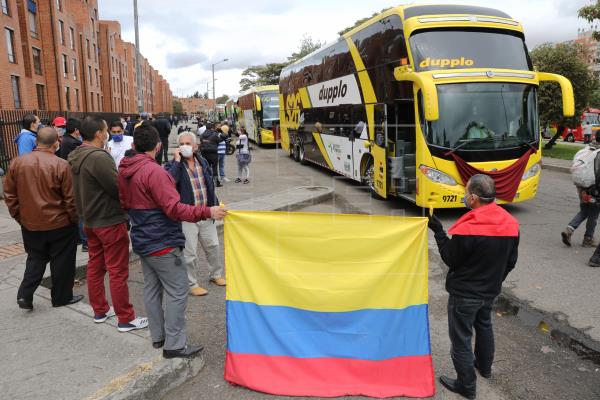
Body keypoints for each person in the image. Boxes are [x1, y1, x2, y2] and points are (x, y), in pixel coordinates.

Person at [118, 123, 227, 358]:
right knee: (178, 291)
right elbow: (174, 208)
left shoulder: (126, 168)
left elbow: (125, 203)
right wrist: (207, 212)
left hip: (142, 238)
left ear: (134, 145)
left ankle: (158, 337)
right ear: (158, 146)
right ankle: (175, 345)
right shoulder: (154, 172)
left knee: (152, 289)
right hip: (162, 241)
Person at [428, 174, 519, 400]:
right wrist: (495, 280)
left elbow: (450, 257)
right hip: (490, 291)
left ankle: (466, 386)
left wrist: (438, 231)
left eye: (467, 192)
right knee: (484, 325)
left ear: (474, 198)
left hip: (464, 295)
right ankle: (485, 368)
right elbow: (511, 261)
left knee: (461, 340)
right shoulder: (511, 223)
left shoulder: (470, 226)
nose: (465, 196)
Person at [68, 116, 147, 332]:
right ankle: (125, 318)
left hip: (90, 220)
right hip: (108, 220)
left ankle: (100, 310)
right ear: (98, 134)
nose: (108, 134)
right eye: (105, 130)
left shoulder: (77, 154)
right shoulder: (98, 157)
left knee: (96, 266)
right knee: (117, 270)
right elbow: (117, 187)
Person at [5, 127, 83, 310]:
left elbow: (10, 195)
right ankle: (61, 297)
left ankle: (25, 294)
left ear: (36, 141)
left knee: (36, 258)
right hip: (59, 223)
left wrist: (21, 217)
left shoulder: (17, 163)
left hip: (31, 223)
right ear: (56, 141)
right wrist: (73, 219)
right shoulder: (61, 165)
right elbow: (70, 199)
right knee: (62, 261)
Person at [165, 132, 225, 297]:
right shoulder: (173, 165)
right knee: (190, 254)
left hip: (206, 213)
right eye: (182, 144)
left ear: (196, 146)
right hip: (187, 216)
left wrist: (215, 204)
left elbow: (209, 185)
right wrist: (177, 161)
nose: (185, 146)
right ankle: (192, 284)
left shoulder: (203, 161)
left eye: (188, 143)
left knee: (213, 246)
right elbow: (169, 182)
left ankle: (216, 275)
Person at [562, 138, 600, 248]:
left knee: (584, 210)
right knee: (593, 214)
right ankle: (588, 238)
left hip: (582, 187)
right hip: (594, 189)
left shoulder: (587, 149)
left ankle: (569, 229)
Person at [59, 118, 87, 251]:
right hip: (74, 177)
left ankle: (78, 238)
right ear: (76, 130)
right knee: (79, 209)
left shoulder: (65, 140)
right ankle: (84, 240)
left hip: (69, 176)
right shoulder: (74, 143)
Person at [200, 122, 225, 187]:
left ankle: (206, 182)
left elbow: (202, 142)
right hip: (213, 153)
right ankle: (216, 182)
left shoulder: (202, 135)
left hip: (204, 153)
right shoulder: (214, 134)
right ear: (211, 128)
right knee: (214, 168)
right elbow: (220, 140)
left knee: (206, 168)